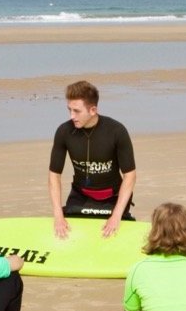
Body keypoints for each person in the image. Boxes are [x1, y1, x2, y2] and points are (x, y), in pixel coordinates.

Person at [48, 80, 136, 239]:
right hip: (81, 195)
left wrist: (116, 215)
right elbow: (54, 175)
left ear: (93, 110)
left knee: (110, 236)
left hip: (113, 197)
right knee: (70, 236)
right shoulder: (64, 132)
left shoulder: (116, 131)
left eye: (76, 111)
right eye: (69, 110)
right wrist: (58, 215)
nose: (71, 116)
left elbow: (130, 175)